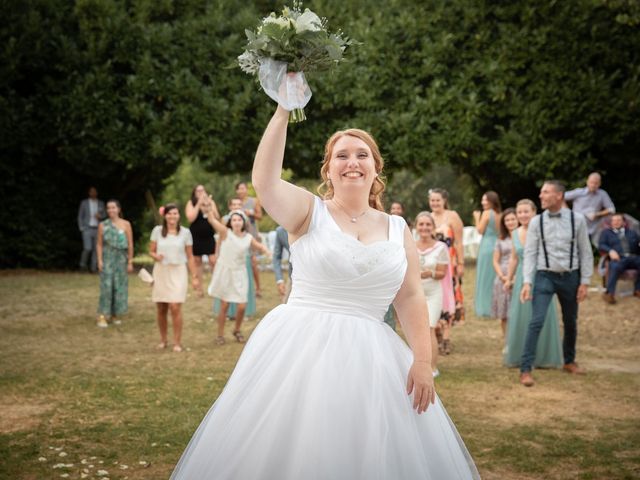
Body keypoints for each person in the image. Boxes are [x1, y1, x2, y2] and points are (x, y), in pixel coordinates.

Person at [170, 105, 479, 479]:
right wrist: (284, 110)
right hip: (300, 349)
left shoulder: (398, 228)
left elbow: (411, 297)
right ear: (328, 169)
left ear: (376, 168)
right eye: (342, 156)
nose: (353, 162)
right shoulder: (308, 211)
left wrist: (423, 361)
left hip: (374, 358)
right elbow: (265, 181)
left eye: (362, 155)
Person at [519, 181, 593, 387]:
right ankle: (525, 368)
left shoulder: (577, 220)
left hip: (571, 277)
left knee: (570, 321)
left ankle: (569, 361)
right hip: (544, 276)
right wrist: (527, 282)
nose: (541, 195)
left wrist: (585, 282)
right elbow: (530, 253)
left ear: (559, 195)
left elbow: (585, 252)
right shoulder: (536, 222)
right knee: (536, 321)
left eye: (545, 192)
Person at [503, 200, 563, 369]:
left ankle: (543, 356)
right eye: (519, 212)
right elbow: (514, 258)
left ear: (534, 212)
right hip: (522, 278)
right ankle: (520, 355)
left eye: (526, 211)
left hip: (542, 276)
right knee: (522, 316)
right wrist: (509, 278)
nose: (522, 215)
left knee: (540, 315)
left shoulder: (543, 230)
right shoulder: (515, 233)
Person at [207, 210, 270, 345]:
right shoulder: (225, 233)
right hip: (226, 272)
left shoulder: (248, 237)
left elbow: (259, 246)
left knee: (242, 306)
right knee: (224, 305)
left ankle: (236, 330)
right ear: (230, 222)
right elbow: (212, 220)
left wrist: (266, 251)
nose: (236, 222)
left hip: (240, 273)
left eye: (239, 220)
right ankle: (220, 335)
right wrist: (208, 210)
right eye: (234, 220)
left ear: (243, 222)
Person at [149, 204, 199, 353]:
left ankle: (177, 342)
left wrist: (194, 277)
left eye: (175, 214)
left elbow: (190, 256)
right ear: (165, 216)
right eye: (169, 214)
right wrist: (155, 256)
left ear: (179, 216)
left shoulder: (185, 233)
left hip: (178, 271)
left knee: (175, 306)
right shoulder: (157, 231)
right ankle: (163, 340)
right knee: (162, 307)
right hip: (161, 271)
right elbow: (151, 251)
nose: (172, 217)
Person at [429, 188, 465, 353]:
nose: (435, 203)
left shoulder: (452, 216)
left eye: (437, 200)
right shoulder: (428, 217)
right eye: (432, 200)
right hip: (433, 265)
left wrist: (461, 262)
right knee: (435, 296)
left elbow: (458, 242)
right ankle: (436, 331)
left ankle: (447, 337)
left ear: (444, 200)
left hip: (450, 264)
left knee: (449, 297)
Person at [415, 211, 450, 378]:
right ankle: (418, 364)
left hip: (433, 293)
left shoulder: (440, 247)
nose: (424, 227)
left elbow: (442, 273)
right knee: (416, 330)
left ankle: (433, 368)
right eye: (421, 224)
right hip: (414, 294)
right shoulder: (409, 245)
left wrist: (431, 274)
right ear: (416, 227)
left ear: (433, 227)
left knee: (429, 328)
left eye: (428, 224)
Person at [214, 198, 257, 320]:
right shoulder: (225, 219)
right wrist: (217, 253)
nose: (237, 206)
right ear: (230, 206)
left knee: (242, 284)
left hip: (242, 257)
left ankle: (243, 312)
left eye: (239, 204)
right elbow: (220, 238)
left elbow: (249, 238)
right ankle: (228, 313)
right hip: (228, 258)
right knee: (227, 284)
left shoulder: (245, 219)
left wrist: (252, 253)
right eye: (234, 204)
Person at [95, 200, 133, 327]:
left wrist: (130, 261)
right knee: (106, 287)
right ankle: (102, 316)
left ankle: (115, 314)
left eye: (113, 207)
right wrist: (100, 260)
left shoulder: (126, 224)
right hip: (108, 258)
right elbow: (99, 244)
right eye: (108, 208)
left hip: (121, 260)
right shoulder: (103, 225)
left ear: (118, 209)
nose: (111, 210)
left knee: (119, 287)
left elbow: (130, 244)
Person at [186, 184, 221, 297]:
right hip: (196, 236)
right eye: (198, 191)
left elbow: (217, 218)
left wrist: (209, 206)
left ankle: (216, 288)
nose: (201, 192)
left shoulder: (211, 202)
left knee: (213, 260)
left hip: (209, 236)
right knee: (197, 261)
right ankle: (200, 289)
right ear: (194, 193)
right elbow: (190, 218)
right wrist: (199, 204)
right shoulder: (191, 203)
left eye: (202, 190)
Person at [598, 212, 640, 303]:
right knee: (615, 267)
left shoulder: (632, 232)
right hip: (619, 258)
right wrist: (610, 251)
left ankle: (638, 290)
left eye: (618, 220)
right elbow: (601, 245)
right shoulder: (606, 233)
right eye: (614, 220)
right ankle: (609, 294)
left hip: (634, 257)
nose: (616, 222)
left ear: (624, 222)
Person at [473, 191, 501, 318]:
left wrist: (476, 217)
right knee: (493, 276)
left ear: (492, 201)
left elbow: (480, 230)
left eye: (486, 200)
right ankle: (495, 306)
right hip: (496, 245)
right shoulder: (499, 214)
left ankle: (485, 308)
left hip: (486, 247)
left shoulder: (487, 213)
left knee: (484, 277)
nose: (483, 202)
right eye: (482, 200)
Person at [491, 208, 517, 338]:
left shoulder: (524, 236)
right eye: (507, 220)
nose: (510, 222)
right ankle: (507, 340)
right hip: (502, 277)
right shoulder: (500, 240)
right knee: (504, 313)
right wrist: (502, 276)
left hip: (519, 276)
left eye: (513, 219)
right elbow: (495, 261)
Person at [565, 172, 615, 238]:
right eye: (591, 182)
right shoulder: (579, 192)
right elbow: (560, 197)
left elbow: (612, 209)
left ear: (599, 184)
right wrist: (567, 211)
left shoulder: (602, 194)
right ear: (587, 182)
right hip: (576, 228)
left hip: (593, 230)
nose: (593, 185)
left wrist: (597, 214)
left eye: (596, 183)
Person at [235, 181, 263, 297]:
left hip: (251, 234)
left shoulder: (254, 201)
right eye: (239, 189)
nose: (241, 191)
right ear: (236, 191)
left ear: (246, 189)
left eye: (243, 188)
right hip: (238, 235)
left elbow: (260, 216)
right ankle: (241, 287)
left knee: (253, 263)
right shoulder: (235, 203)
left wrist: (250, 213)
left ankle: (258, 288)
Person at [77, 186, 106, 272]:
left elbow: (105, 215)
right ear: (89, 193)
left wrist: (100, 216)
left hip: (97, 228)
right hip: (87, 228)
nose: (93, 193)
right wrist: (81, 227)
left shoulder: (101, 203)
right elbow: (80, 216)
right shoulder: (84, 203)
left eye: (94, 191)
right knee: (87, 248)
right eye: (91, 191)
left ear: (97, 193)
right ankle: (82, 265)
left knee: (96, 249)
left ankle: (93, 268)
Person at [272, 225, 292, 303]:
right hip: (293, 276)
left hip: (317, 278)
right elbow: (276, 257)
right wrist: (280, 280)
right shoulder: (280, 231)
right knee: (286, 305)